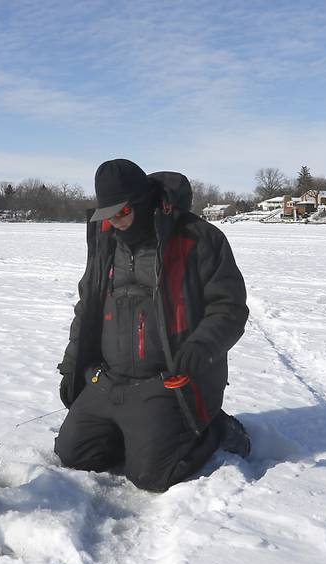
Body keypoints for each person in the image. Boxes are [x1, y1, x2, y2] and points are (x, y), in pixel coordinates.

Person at [54, 158, 250, 492]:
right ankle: (137, 434)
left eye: (122, 213)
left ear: (143, 203)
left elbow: (229, 307)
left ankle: (214, 428)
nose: (115, 223)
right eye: (108, 215)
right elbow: (87, 307)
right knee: (74, 454)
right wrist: (72, 364)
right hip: (108, 378)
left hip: (166, 382)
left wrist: (201, 346)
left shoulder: (198, 238)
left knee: (151, 476)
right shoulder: (105, 241)